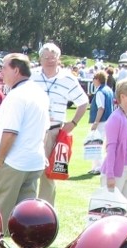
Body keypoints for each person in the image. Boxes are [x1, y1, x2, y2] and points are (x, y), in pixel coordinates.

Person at [0, 54, 49, 235]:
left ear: (16, 70)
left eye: (4, 68)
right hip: (32, 161)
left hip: (12, 163)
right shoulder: (39, 93)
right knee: (24, 218)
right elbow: (42, 129)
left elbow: (11, 131)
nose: (0, 72)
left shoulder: (17, 96)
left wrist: (0, 157)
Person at [31, 43, 89, 205]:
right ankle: (26, 210)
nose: (50, 61)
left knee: (49, 175)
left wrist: (73, 123)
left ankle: (44, 213)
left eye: (53, 57)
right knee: (29, 171)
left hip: (54, 131)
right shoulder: (32, 76)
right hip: (33, 130)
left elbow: (83, 102)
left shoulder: (68, 78)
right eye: (46, 57)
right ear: (40, 59)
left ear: (59, 59)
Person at [100, 79, 127, 206]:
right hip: (117, 170)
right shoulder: (115, 118)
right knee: (112, 208)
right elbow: (111, 149)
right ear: (123, 96)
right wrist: (110, 175)